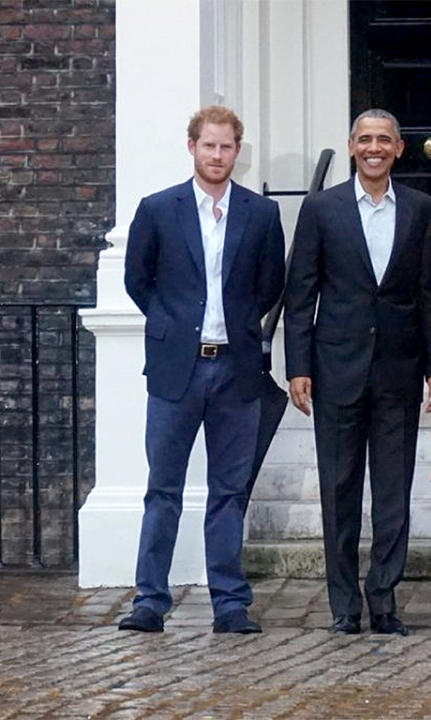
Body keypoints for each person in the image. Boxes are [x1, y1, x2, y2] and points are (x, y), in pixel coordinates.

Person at [119, 106, 285, 634]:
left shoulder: (261, 215)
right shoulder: (157, 209)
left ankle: (230, 602)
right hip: (175, 371)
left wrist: (236, 325)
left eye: (227, 147)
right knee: (162, 488)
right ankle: (150, 598)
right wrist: (172, 324)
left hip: (235, 368)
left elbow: (270, 283)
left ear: (239, 150)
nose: (217, 156)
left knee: (230, 490)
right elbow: (137, 279)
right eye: (209, 146)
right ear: (191, 146)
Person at [283, 109, 431, 637]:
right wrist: (297, 366)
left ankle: (385, 597)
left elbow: (427, 293)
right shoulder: (321, 209)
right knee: (339, 489)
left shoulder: (422, 209)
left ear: (399, 148)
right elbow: (301, 292)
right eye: (365, 139)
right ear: (351, 146)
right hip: (335, 368)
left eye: (384, 140)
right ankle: (344, 605)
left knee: (394, 490)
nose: (374, 148)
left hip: (400, 369)